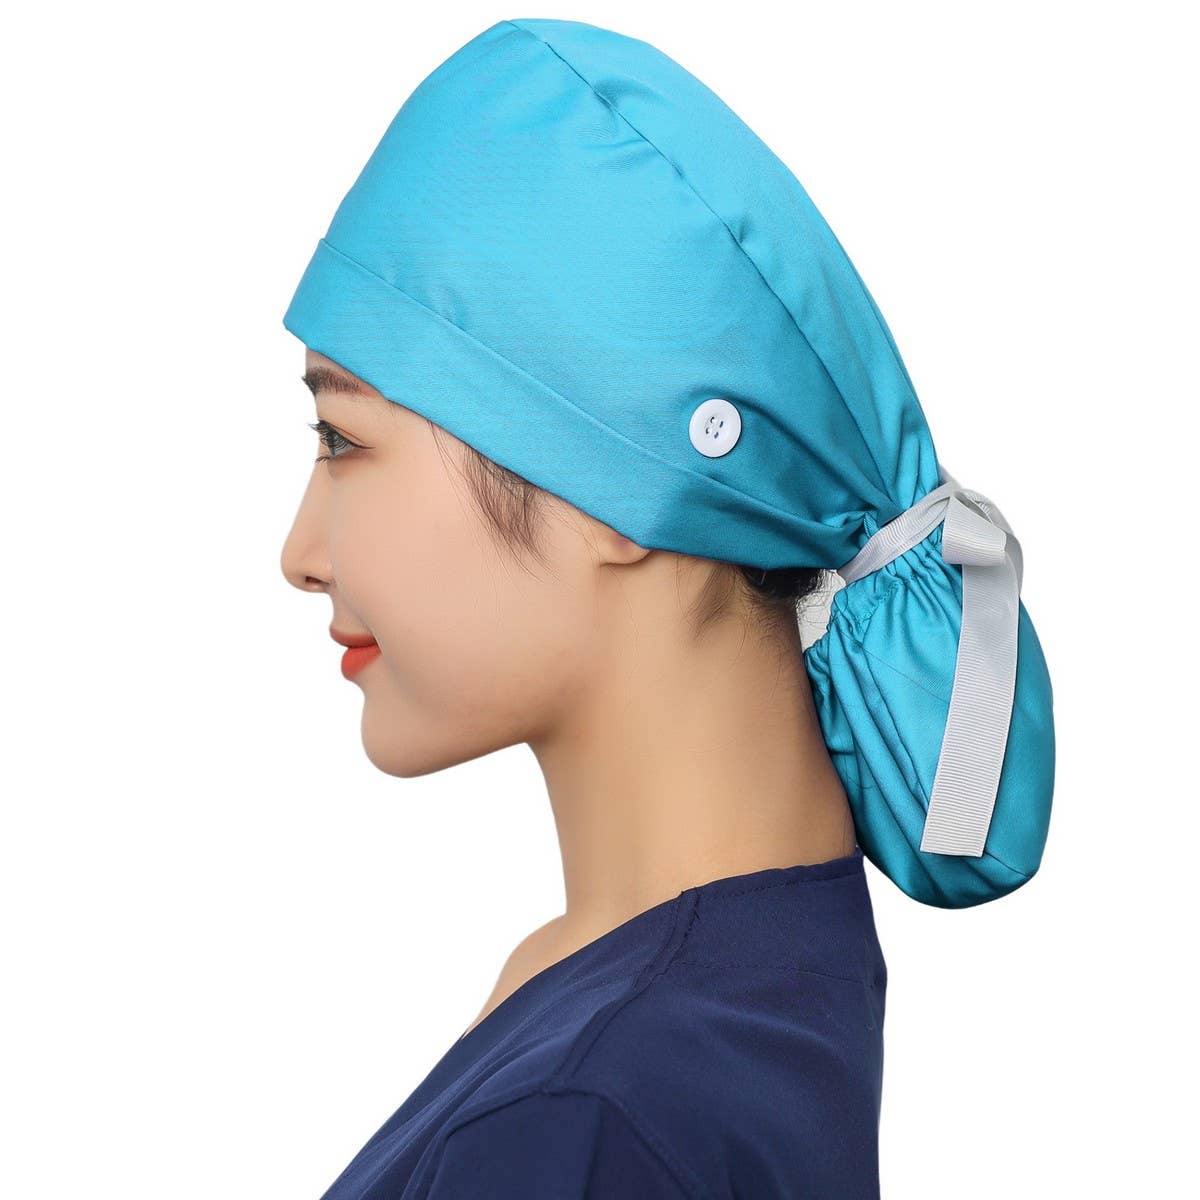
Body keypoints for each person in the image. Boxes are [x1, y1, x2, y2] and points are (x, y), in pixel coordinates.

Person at [278, 16, 1054, 1199]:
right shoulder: (743, 969)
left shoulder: (585, 1119)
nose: (298, 554)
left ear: (618, 488)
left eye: (342, 439)